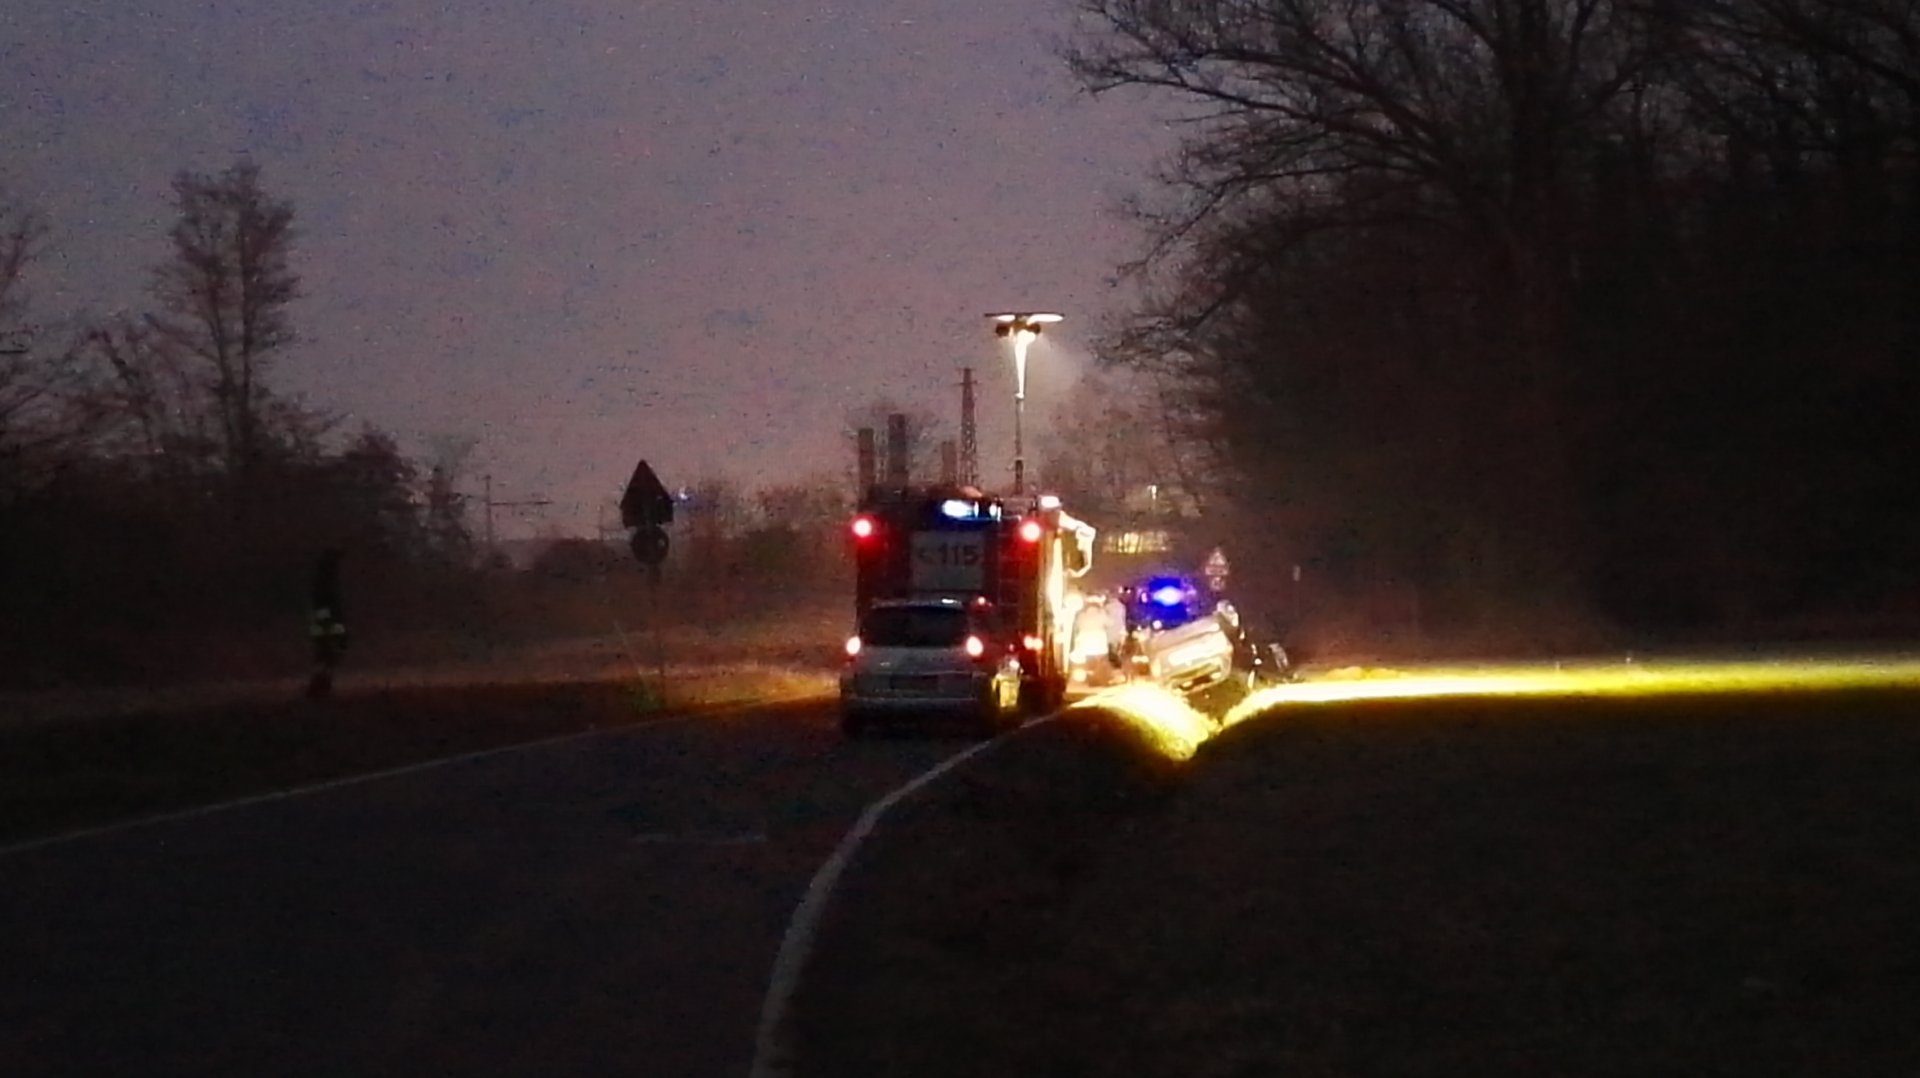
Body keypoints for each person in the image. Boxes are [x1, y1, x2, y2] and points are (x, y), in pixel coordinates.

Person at [307, 547, 349, 699]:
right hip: (327, 619)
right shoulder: (327, 581)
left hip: (323, 619)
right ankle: (320, 684)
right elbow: (329, 603)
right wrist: (335, 621)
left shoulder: (322, 580)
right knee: (329, 652)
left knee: (325, 652)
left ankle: (320, 683)